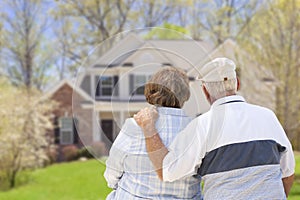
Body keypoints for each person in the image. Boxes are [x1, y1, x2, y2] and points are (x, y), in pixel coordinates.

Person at [134, 58, 295, 200]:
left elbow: (167, 171)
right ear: (237, 83)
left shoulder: (202, 126)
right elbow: (287, 175)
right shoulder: (268, 117)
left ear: (205, 91)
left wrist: (149, 129)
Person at [104, 67, 202, 199]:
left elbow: (112, 172)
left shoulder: (134, 125)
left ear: (152, 92)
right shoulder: (197, 129)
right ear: (185, 95)